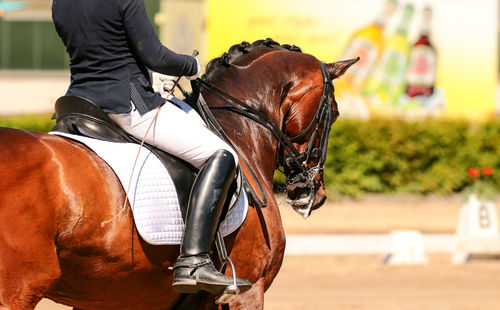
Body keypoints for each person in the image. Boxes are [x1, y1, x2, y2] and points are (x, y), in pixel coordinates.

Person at [51, 0, 251, 296]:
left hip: (78, 103)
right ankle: (194, 260)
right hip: (127, 101)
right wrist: (191, 65)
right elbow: (155, 56)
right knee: (221, 155)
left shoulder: (60, 3)